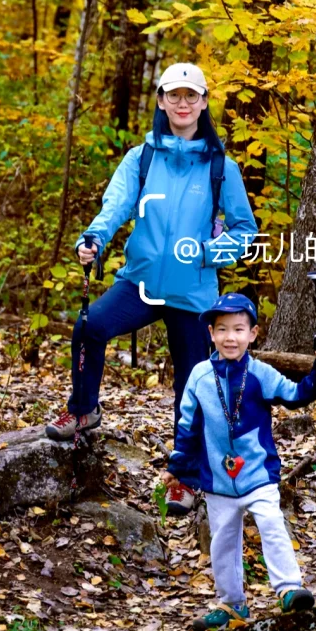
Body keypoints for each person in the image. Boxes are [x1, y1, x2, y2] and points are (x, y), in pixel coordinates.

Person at [46, 62, 258, 520]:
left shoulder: (222, 167)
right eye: (174, 96)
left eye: (191, 96)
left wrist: (206, 254)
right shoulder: (141, 158)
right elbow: (115, 205)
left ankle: (184, 476)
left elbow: (244, 230)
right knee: (89, 326)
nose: (183, 104)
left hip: (194, 296)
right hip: (139, 282)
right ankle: (83, 410)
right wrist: (94, 239)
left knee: (192, 385)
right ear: (161, 101)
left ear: (203, 103)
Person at [161, 292, 316, 631]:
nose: (231, 337)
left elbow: (296, 395)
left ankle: (288, 588)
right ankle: (231, 604)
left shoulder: (261, 373)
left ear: (253, 334)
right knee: (222, 540)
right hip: (217, 477)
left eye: (239, 329)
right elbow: (187, 425)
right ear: (211, 334)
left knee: (271, 522)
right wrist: (178, 469)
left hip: (258, 473)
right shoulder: (199, 376)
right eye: (222, 329)